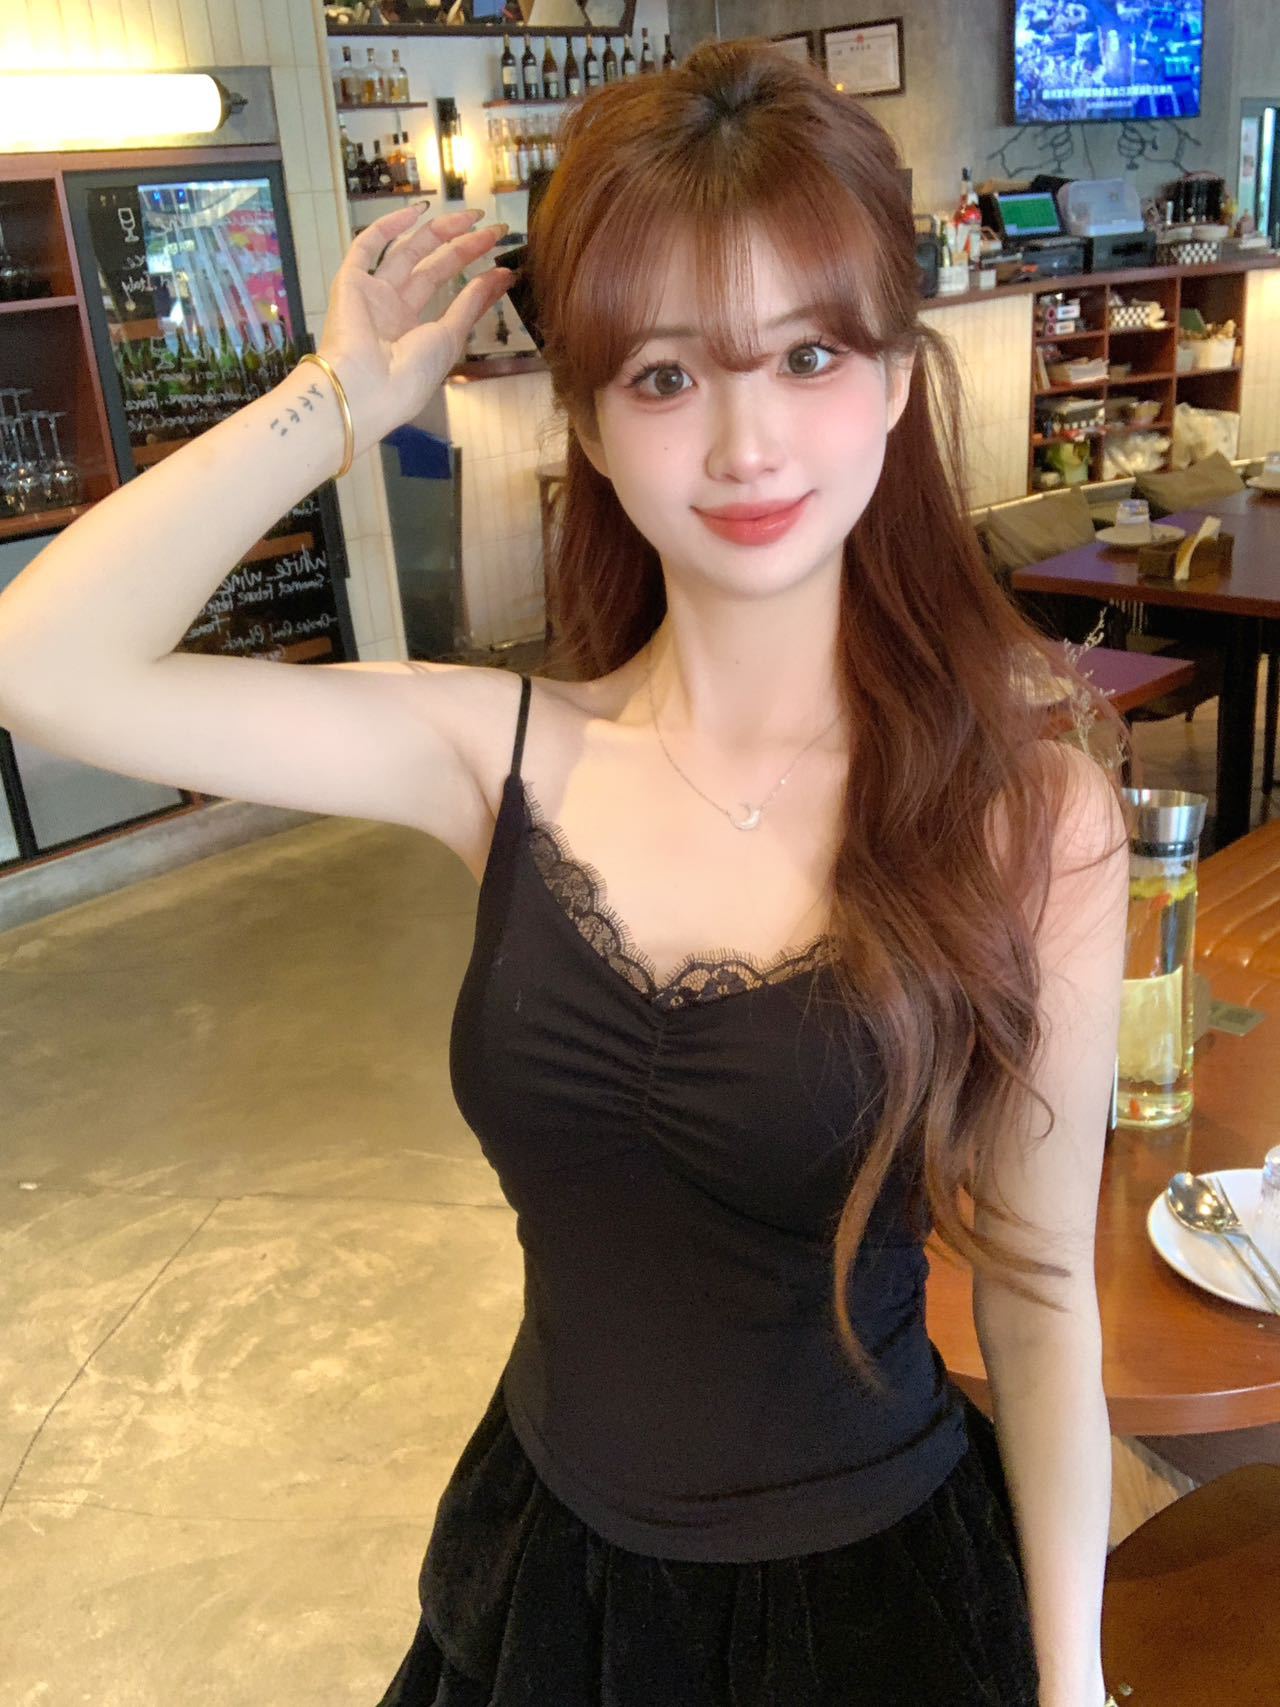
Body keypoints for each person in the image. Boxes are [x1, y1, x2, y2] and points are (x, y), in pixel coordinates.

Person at [0, 38, 1131, 1707]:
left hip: (873, 1605)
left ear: (897, 378)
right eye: (667, 376)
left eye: (808, 354)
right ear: (589, 423)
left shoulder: (1028, 817)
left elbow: (1038, 1296)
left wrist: (1074, 1682)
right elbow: (42, 665)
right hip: (546, 1577)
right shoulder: (499, 753)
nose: (747, 444)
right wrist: (340, 404)